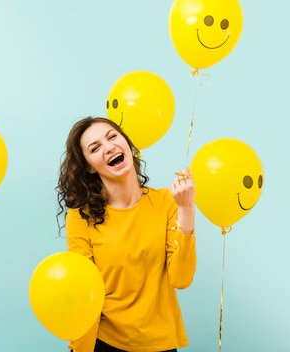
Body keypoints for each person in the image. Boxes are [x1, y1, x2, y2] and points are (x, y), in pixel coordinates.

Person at [56, 116, 197, 352]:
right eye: (95, 148)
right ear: (89, 166)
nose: (108, 147)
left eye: (112, 136)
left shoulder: (166, 202)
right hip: (106, 343)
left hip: (160, 343)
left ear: (127, 144)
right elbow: (85, 293)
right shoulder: (80, 218)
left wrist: (187, 210)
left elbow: (181, 279)